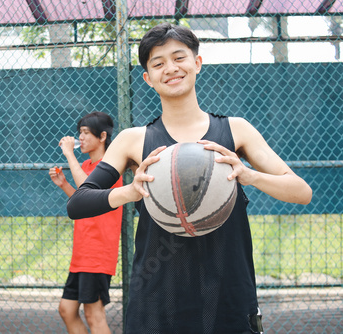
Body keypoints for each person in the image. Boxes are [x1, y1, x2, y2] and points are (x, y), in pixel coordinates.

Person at [67, 23, 312, 334]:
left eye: (178, 57)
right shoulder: (133, 141)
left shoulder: (236, 131)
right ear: (148, 78)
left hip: (228, 298)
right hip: (156, 302)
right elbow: (78, 203)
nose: (170, 68)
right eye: (158, 63)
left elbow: (301, 192)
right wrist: (130, 192)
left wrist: (249, 175)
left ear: (197, 63)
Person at [49, 111, 123, 334]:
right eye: (79, 133)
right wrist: (64, 185)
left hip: (97, 254)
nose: (80, 138)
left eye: (85, 133)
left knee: (94, 314)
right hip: (82, 254)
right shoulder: (87, 165)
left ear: (102, 136)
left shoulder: (110, 167)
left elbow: (88, 190)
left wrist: (69, 154)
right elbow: (85, 202)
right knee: (67, 309)